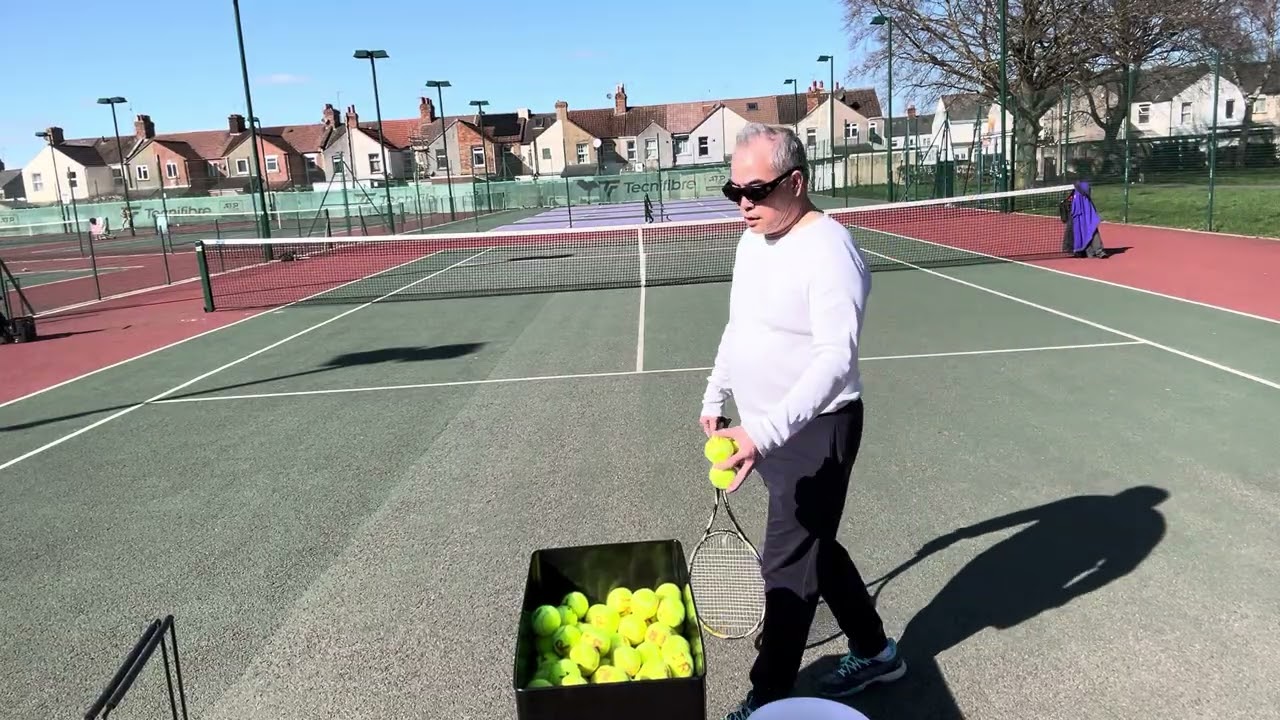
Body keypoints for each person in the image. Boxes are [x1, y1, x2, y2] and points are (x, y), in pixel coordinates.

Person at [700, 123, 906, 719]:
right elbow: (740, 325)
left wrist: (761, 433)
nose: (743, 204)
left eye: (756, 190)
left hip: (817, 432)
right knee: (815, 542)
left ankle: (766, 696)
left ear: (795, 182)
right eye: (733, 190)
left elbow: (835, 360)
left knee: (786, 564)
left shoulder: (831, 251)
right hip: (764, 428)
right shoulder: (752, 240)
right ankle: (875, 651)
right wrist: (716, 393)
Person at [1060, 180, 1107, 258]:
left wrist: (1076, 184)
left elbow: (1083, 189)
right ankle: (1084, 251)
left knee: (1092, 231)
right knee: (1079, 232)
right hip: (1076, 216)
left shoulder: (1083, 187)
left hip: (1087, 215)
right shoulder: (1073, 193)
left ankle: (1099, 251)